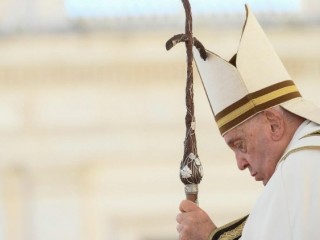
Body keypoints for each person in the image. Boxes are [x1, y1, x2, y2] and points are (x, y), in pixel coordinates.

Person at [176, 4, 320, 240]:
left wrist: (209, 237)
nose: (240, 164)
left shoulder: (297, 171)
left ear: (274, 123)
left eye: (240, 144)